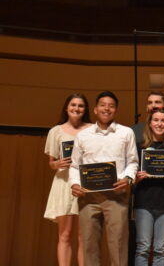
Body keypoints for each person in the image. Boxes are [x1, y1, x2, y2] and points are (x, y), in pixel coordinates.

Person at [69, 91, 139, 266]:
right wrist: (75, 183)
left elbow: (133, 162)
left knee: (118, 245)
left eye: (111, 105)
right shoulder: (82, 136)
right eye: (102, 105)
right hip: (88, 197)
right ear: (95, 109)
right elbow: (74, 165)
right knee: (89, 245)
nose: (106, 108)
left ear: (115, 110)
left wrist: (128, 178)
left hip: (116, 195)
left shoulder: (126, 132)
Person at [44, 93, 91, 266]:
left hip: (85, 183)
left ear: (85, 109)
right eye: (73, 105)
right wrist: (57, 163)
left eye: (80, 105)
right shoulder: (55, 131)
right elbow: (51, 163)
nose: (76, 108)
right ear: (66, 107)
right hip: (63, 183)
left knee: (83, 236)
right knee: (64, 235)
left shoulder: (92, 129)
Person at [133, 108, 164, 266]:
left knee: (161, 249)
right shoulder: (139, 147)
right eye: (156, 120)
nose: (159, 124)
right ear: (150, 123)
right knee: (143, 248)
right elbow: (130, 175)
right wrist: (137, 178)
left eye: (163, 120)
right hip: (143, 203)